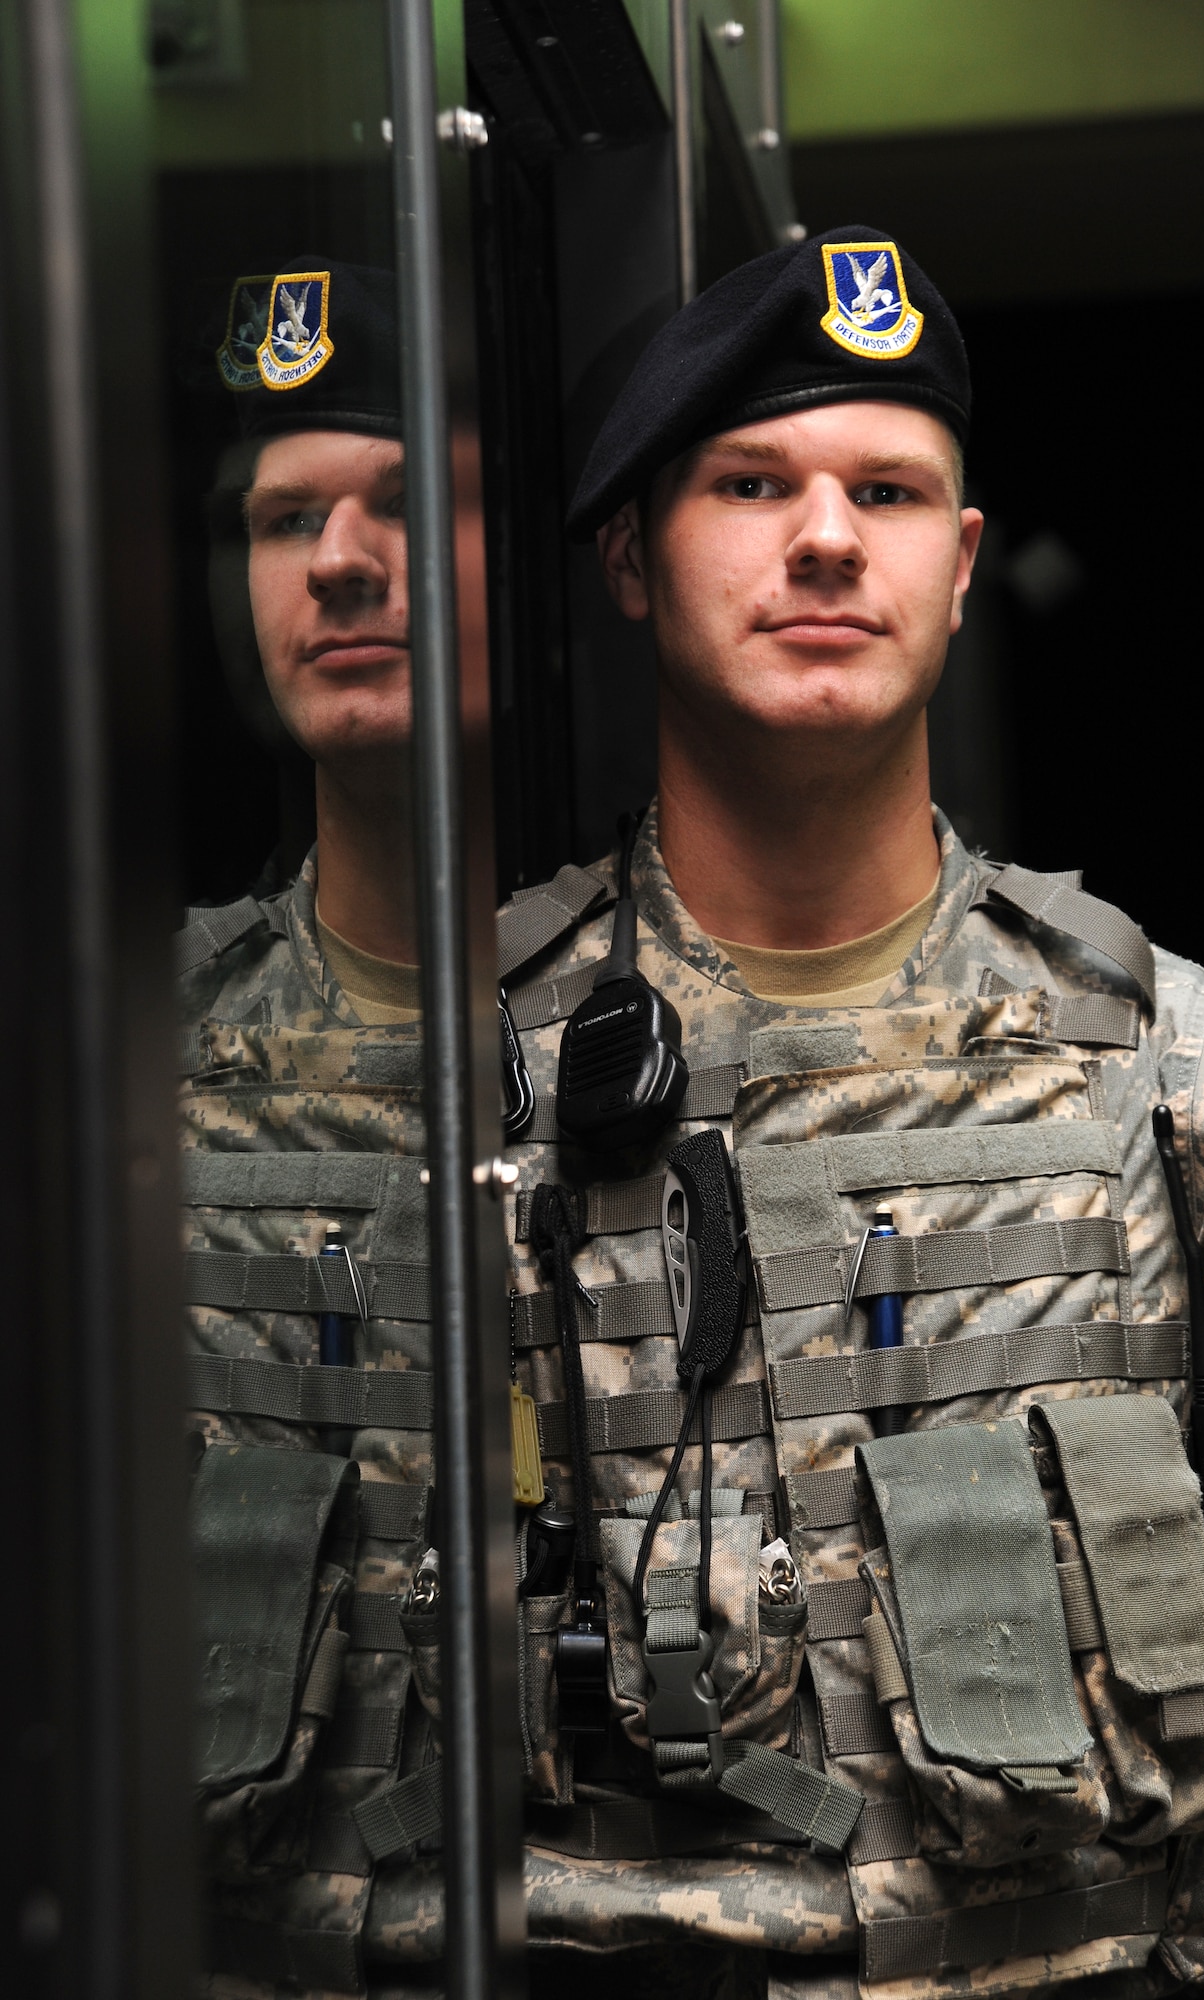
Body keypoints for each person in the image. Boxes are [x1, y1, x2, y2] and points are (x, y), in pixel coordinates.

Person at [500, 227, 1204, 1999]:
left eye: (886, 491)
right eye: (751, 484)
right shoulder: (483, 1077)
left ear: (959, 567)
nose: (825, 538)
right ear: (631, 557)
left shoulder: (1184, 1069)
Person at [179, 261, 442, 1998]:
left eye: (403, 504)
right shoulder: (141, 1062)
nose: (340, 562)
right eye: (286, 520)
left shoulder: (666, 1028)